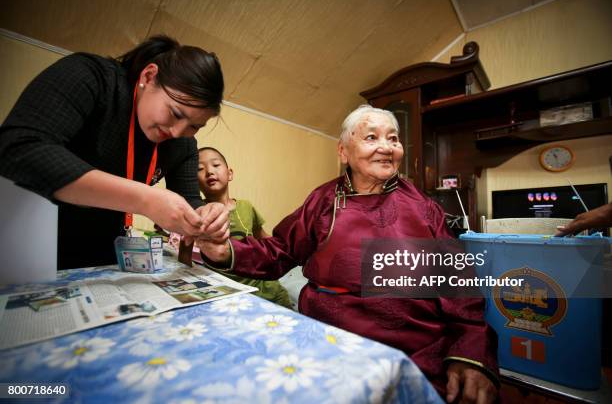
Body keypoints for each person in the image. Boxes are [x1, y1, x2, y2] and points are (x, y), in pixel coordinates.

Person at [197, 105, 499, 402]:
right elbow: (280, 251)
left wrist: (469, 350)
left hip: (412, 348)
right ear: (343, 152)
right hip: (328, 340)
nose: (386, 147)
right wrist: (224, 251)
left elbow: (458, 286)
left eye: (393, 139)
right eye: (371, 137)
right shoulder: (323, 200)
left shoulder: (423, 208)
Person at [0, 35, 229, 269]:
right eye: (176, 113)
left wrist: (207, 216)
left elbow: (189, 199)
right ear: (148, 77)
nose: (177, 131)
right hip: (29, 242)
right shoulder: (93, 77)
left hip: (101, 255)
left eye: (194, 126)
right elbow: (19, 148)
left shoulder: (184, 144)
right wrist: (145, 200)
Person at [187, 147, 292, 308]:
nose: (209, 171)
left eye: (215, 165)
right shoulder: (198, 213)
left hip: (268, 288)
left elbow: (266, 241)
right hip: (232, 295)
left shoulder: (246, 206)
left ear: (230, 174)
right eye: (200, 169)